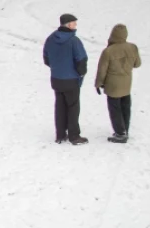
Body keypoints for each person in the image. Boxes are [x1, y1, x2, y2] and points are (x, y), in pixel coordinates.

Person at [43, 13, 89, 145]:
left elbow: (46, 59)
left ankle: (60, 134)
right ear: (68, 24)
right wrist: (81, 73)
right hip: (71, 80)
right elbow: (81, 60)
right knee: (73, 107)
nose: (75, 26)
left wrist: (57, 68)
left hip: (56, 79)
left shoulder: (51, 39)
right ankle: (74, 136)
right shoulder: (74, 41)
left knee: (60, 106)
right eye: (74, 23)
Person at [95, 24, 141, 144]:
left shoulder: (108, 51)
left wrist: (98, 83)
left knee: (115, 109)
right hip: (126, 83)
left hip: (113, 85)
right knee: (126, 107)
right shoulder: (133, 47)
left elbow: (102, 70)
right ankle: (125, 130)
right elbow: (137, 64)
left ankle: (120, 134)